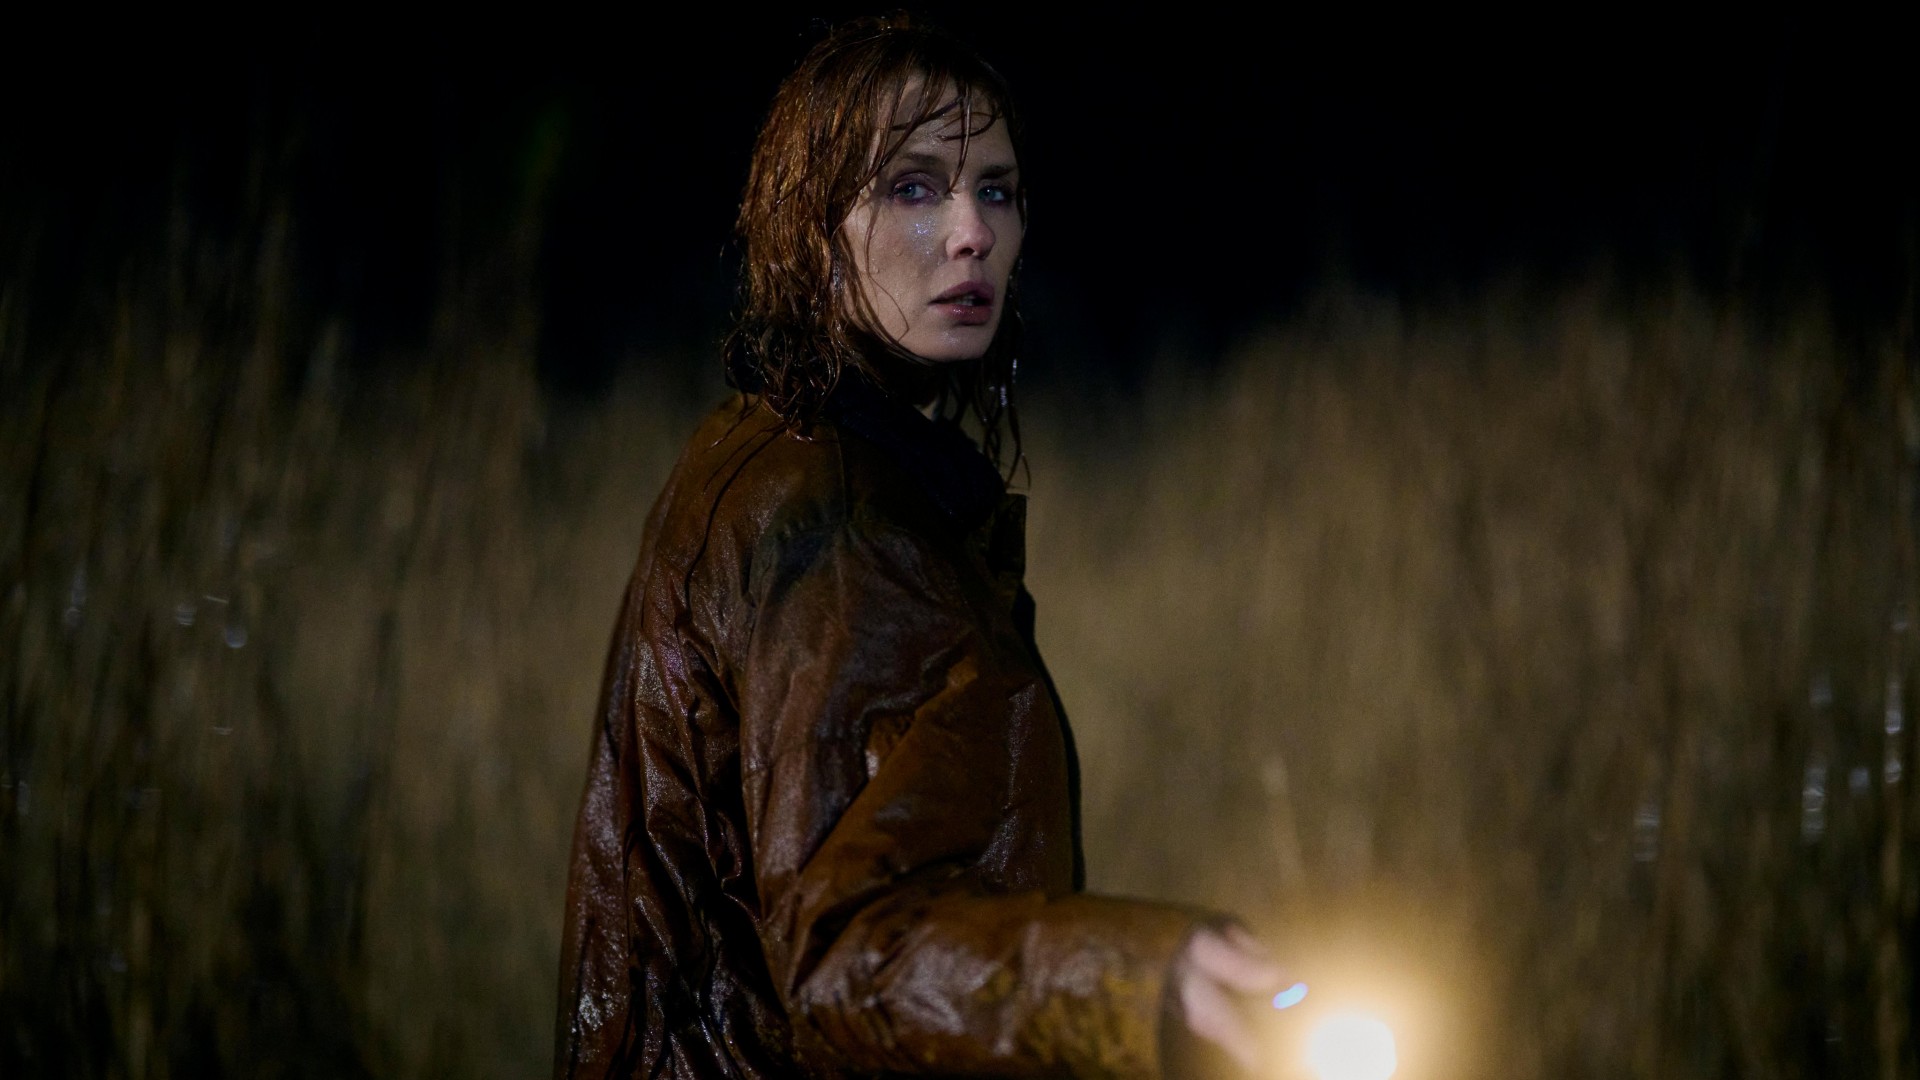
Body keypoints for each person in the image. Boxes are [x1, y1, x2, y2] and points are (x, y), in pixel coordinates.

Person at [555, 16, 1283, 1079]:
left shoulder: (770, 452)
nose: (972, 231)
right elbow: (843, 946)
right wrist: (1132, 979)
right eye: (912, 189)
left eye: (997, 190)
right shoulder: (834, 515)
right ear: (812, 227)